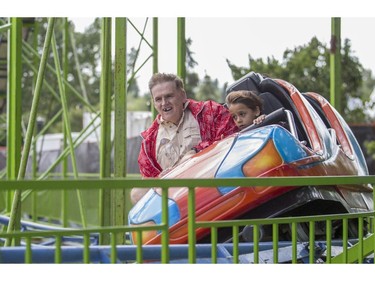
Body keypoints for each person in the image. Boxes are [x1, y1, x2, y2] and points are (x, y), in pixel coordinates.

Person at [132, 73, 238, 204]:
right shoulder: (149, 140)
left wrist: (195, 153)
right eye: (158, 99)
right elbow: (149, 177)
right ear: (154, 103)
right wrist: (162, 177)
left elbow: (231, 138)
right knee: (136, 193)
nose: (164, 103)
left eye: (169, 96)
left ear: (183, 95)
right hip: (175, 198)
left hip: (211, 186)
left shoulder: (209, 111)